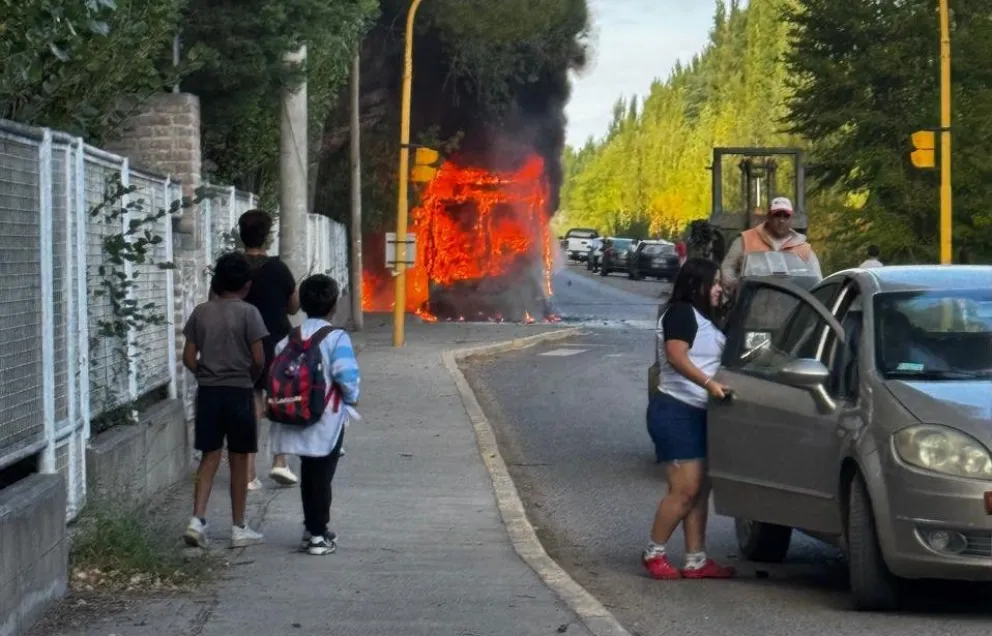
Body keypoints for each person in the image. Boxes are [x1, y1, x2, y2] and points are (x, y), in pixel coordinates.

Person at [642, 258, 735, 580]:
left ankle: (696, 560)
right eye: (714, 283)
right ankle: (654, 552)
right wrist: (710, 385)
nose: (719, 289)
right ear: (697, 284)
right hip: (676, 410)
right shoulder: (681, 312)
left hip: (698, 412)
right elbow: (676, 355)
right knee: (684, 490)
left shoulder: (702, 318)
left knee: (699, 490)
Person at [269, 275, 360, 556]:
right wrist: (353, 397)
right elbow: (346, 375)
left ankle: (312, 528)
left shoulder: (290, 338)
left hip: (295, 413)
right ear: (333, 306)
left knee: (310, 473)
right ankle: (319, 536)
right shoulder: (337, 337)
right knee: (322, 476)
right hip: (327, 417)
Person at [182, 252, 269, 549]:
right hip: (239, 392)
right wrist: (250, 378)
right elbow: (259, 358)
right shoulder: (249, 314)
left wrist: (205, 373)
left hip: (208, 392)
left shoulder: (201, 312)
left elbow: (188, 357)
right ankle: (238, 526)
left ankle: (197, 519)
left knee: (209, 456)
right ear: (246, 285)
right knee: (239, 459)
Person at [238, 210, 301, 490]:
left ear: (241, 234)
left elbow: (216, 300)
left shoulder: (231, 266)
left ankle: (249, 473)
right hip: (276, 340)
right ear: (268, 235)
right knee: (280, 400)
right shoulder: (278, 269)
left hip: (242, 342)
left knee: (252, 403)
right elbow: (293, 306)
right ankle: (279, 461)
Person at [720, 196, 822, 290]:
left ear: (791, 219)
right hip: (752, 304)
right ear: (768, 217)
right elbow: (727, 267)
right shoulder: (746, 240)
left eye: (786, 216)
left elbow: (817, 280)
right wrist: (735, 287)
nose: (781, 220)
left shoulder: (804, 249)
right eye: (777, 215)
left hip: (792, 305)